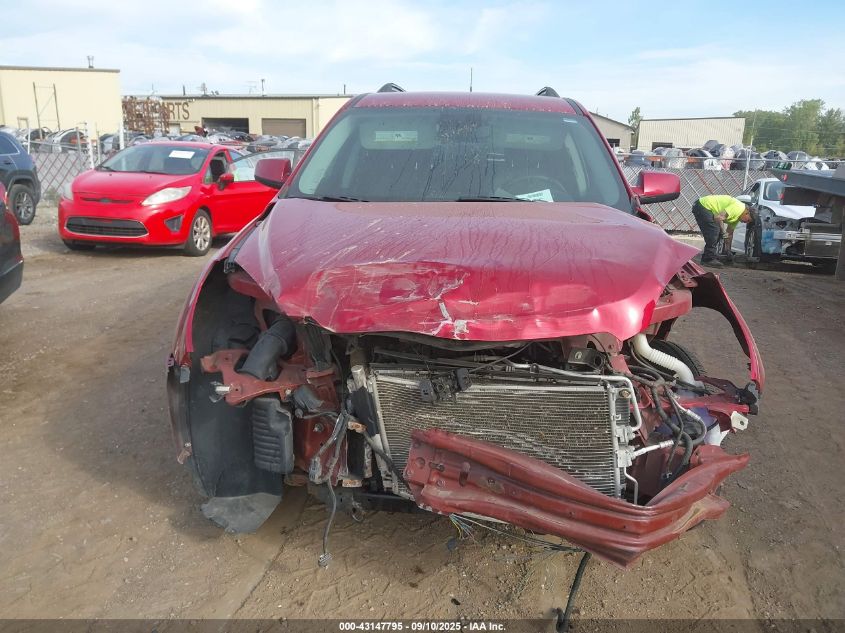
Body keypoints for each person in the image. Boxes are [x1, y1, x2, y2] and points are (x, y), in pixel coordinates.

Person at [691, 195, 753, 267]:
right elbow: (718, 217)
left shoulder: (737, 218)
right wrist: (723, 231)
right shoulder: (738, 208)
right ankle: (708, 259)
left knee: (718, 232)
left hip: (707, 209)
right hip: (703, 206)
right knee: (714, 231)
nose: (746, 223)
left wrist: (728, 251)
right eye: (748, 220)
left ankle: (708, 256)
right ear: (747, 212)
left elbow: (729, 234)